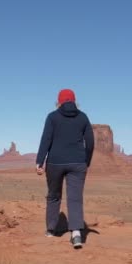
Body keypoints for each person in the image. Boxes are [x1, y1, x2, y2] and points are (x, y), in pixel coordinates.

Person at [36, 89, 95, 249]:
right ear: (74, 101)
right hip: (77, 163)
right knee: (74, 198)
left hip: (55, 163)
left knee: (54, 196)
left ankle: (50, 229)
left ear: (59, 102)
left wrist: (40, 161)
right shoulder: (82, 117)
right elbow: (90, 141)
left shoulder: (52, 116)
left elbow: (46, 139)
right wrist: (86, 161)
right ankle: (76, 234)